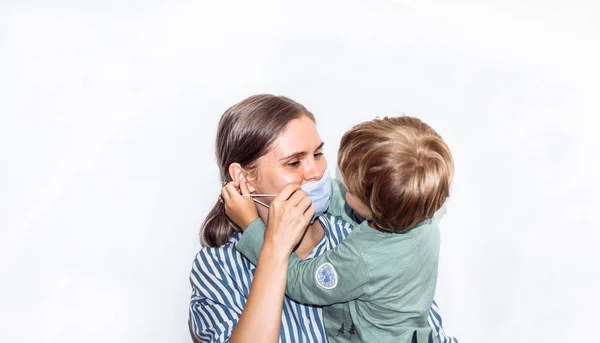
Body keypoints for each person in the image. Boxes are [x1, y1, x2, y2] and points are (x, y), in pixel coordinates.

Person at [189, 94, 458, 343]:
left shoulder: (371, 236)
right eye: (294, 163)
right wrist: (271, 246)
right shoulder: (218, 268)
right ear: (243, 179)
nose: (316, 173)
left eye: (318, 154)